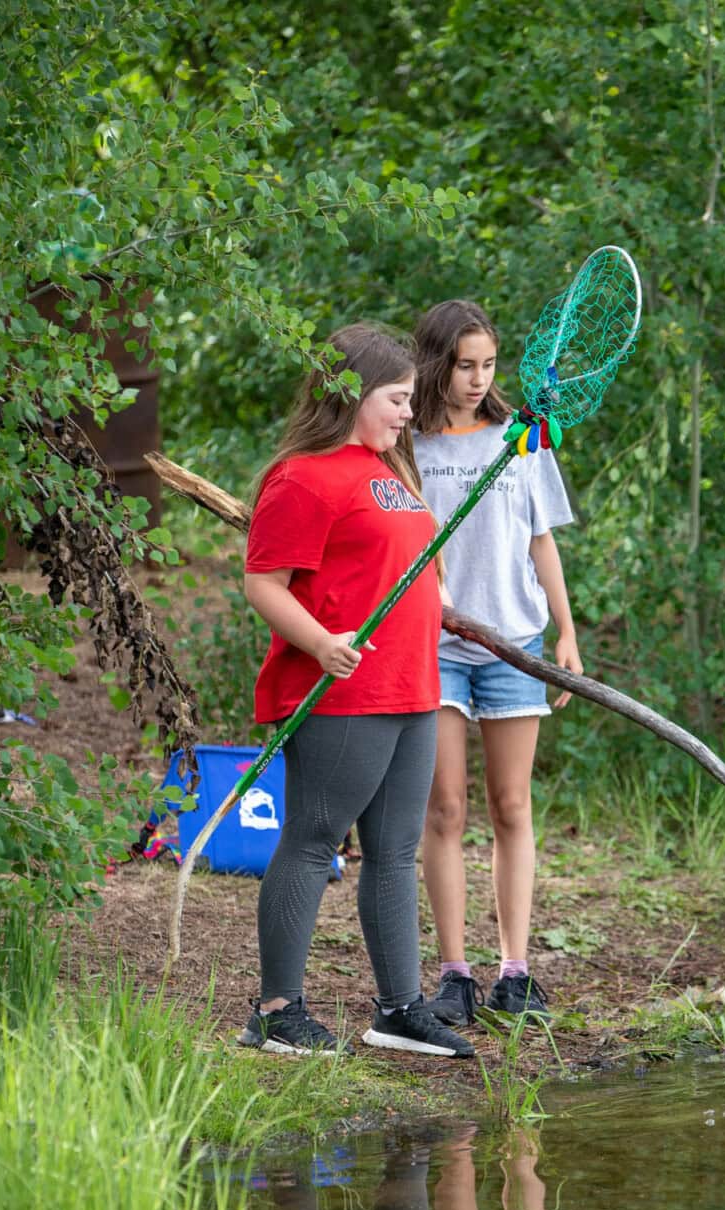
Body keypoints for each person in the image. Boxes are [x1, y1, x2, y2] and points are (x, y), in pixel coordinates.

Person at [236, 323, 474, 1059]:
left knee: (396, 852)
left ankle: (399, 1008)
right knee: (312, 841)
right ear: (353, 394)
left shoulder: (391, 473)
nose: (410, 412)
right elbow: (262, 582)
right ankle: (277, 1011)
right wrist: (320, 642)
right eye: (398, 398)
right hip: (343, 692)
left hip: (411, 687)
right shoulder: (304, 476)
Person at [412, 300, 582, 1024]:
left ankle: (515, 969)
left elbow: (542, 538)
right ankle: (455, 972)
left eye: (488, 364)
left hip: (515, 640)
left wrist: (566, 632)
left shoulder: (523, 438)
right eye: (464, 365)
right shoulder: (409, 443)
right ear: (435, 362)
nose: (479, 378)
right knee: (444, 807)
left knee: (512, 805)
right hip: (437, 642)